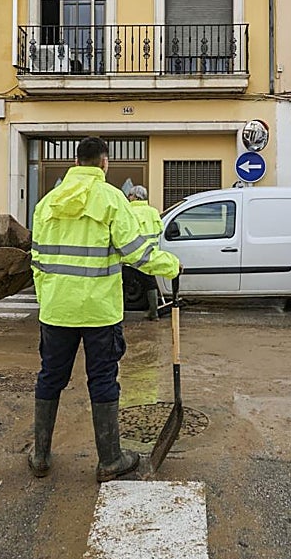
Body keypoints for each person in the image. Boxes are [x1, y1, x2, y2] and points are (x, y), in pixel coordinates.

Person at [29, 137, 181, 482]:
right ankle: (110, 460)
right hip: (99, 312)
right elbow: (137, 253)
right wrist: (171, 265)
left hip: (56, 311)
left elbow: (36, 260)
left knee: (50, 378)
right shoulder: (112, 200)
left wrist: (48, 298)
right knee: (102, 380)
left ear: (76, 162)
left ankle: (40, 455)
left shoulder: (47, 203)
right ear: (104, 163)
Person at [126, 185, 163, 320]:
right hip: (149, 254)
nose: (128, 197)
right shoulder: (153, 211)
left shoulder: (128, 211)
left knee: (125, 284)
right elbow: (160, 229)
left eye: (130, 195)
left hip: (131, 254)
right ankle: (154, 313)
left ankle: (121, 315)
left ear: (135, 197)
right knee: (150, 283)